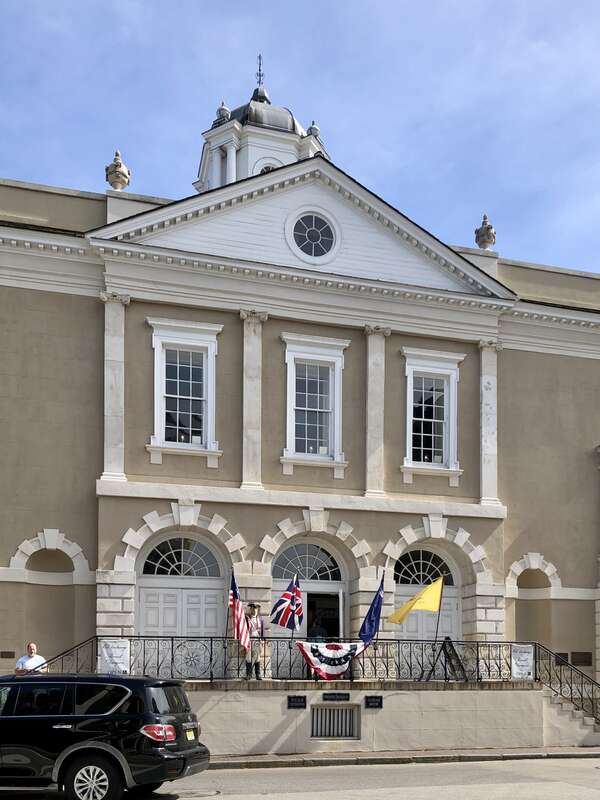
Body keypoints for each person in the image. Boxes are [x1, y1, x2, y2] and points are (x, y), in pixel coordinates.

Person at [245, 603, 264, 680]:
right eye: (253, 608)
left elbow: (262, 631)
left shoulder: (260, 619)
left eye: (255, 609)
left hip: (257, 639)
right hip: (249, 639)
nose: (254, 610)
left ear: (257, 610)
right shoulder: (247, 618)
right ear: (250, 609)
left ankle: (257, 674)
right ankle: (248, 674)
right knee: (248, 657)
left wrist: (262, 639)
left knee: (257, 657)